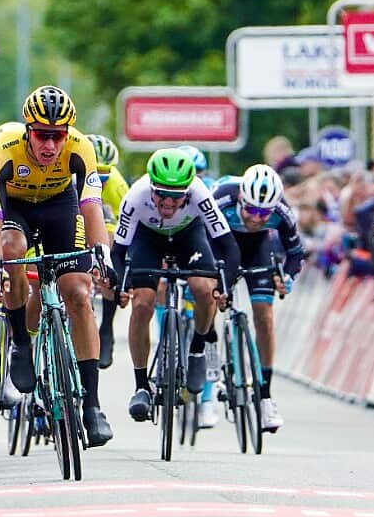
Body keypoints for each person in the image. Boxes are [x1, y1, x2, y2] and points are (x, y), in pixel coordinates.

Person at [0, 86, 115, 446]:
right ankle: (20, 344)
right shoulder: (4, 149)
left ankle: (92, 406)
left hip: (60, 205)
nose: (49, 145)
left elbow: (90, 204)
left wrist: (101, 252)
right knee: (11, 249)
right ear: (28, 130)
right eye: (42, 135)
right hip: (15, 208)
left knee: (77, 291)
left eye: (57, 136)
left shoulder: (80, 148)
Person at [112, 149, 240, 422]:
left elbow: (229, 247)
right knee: (143, 303)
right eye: (161, 195)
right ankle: (141, 386)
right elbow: (118, 252)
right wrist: (122, 284)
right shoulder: (136, 195)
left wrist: (224, 285)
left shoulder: (200, 193)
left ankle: (197, 347)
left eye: (176, 196)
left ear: (188, 192)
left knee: (204, 289)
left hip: (187, 235)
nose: (168, 203)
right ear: (151, 188)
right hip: (148, 238)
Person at [209, 164, 305, 432]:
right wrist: (216, 282)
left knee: (264, 316)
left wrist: (286, 278)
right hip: (221, 246)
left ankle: (265, 396)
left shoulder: (282, 212)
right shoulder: (222, 198)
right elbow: (200, 239)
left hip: (257, 249)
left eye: (265, 213)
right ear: (241, 199)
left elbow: (296, 253)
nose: (257, 218)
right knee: (207, 296)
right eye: (251, 209)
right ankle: (211, 363)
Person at [88, 133, 126, 369]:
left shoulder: (117, 185)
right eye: (95, 175)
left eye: (104, 176)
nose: (100, 181)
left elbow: (125, 231)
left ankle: (107, 328)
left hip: (105, 218)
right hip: (74, 210)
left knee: (109, 244)